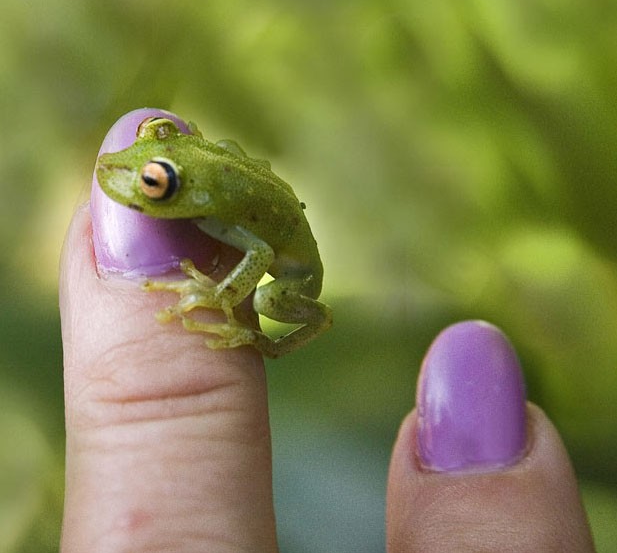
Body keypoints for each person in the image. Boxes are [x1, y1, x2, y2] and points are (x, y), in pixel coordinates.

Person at [58, 110, 595, 552]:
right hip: (255, 203)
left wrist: (221, 298)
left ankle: (268, 340)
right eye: (158, 149)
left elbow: (262, 253)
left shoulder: (218, 216)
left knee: (267, 297)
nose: (121, 172)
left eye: (153, 182)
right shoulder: (209, 204)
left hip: (294, 270)